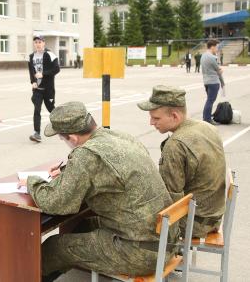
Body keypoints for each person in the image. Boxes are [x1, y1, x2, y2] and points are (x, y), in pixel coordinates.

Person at [20, 102, 179, 281]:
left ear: (72, 138)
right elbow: (109, 169)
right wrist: (67, 173)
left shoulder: (86, 155)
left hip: (140, 253)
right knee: (79, 227)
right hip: (163, 240)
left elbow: (56, 202)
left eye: (62, 138)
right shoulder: (120, 137)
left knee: (53, 246)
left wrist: (31, 182)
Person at [138, 85, 226, 238]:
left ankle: (160, 259)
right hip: (213, 217)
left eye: (156, 118)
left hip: (194, 223)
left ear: (175, 116)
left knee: (128, 222)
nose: (151, 123)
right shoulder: (207, 127)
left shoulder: (176, 145)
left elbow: (169, 200)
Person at [28, 35, 60, 142]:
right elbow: (31, 72)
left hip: (48, 89)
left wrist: (43, 74)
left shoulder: (50, 54)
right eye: (36, 42)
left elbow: (56, 69)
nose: (37, 44)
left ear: (44, 43)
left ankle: (63, 126)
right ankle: (37, 133)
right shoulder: (31, 56)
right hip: (37, 90)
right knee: (37, 110)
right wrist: (33, 82)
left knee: (51, 109)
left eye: (39, 42)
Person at [201, 39, 225, 124]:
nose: (217, 49)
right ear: (212, 47)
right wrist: (221, 70)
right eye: (216, 47)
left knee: (209, 100)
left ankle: (206, 117)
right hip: (213, 82)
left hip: (206, 82)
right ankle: (207, 120)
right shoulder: (212, 57)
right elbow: (218, 70)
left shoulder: (203, 56)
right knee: (210, 101)